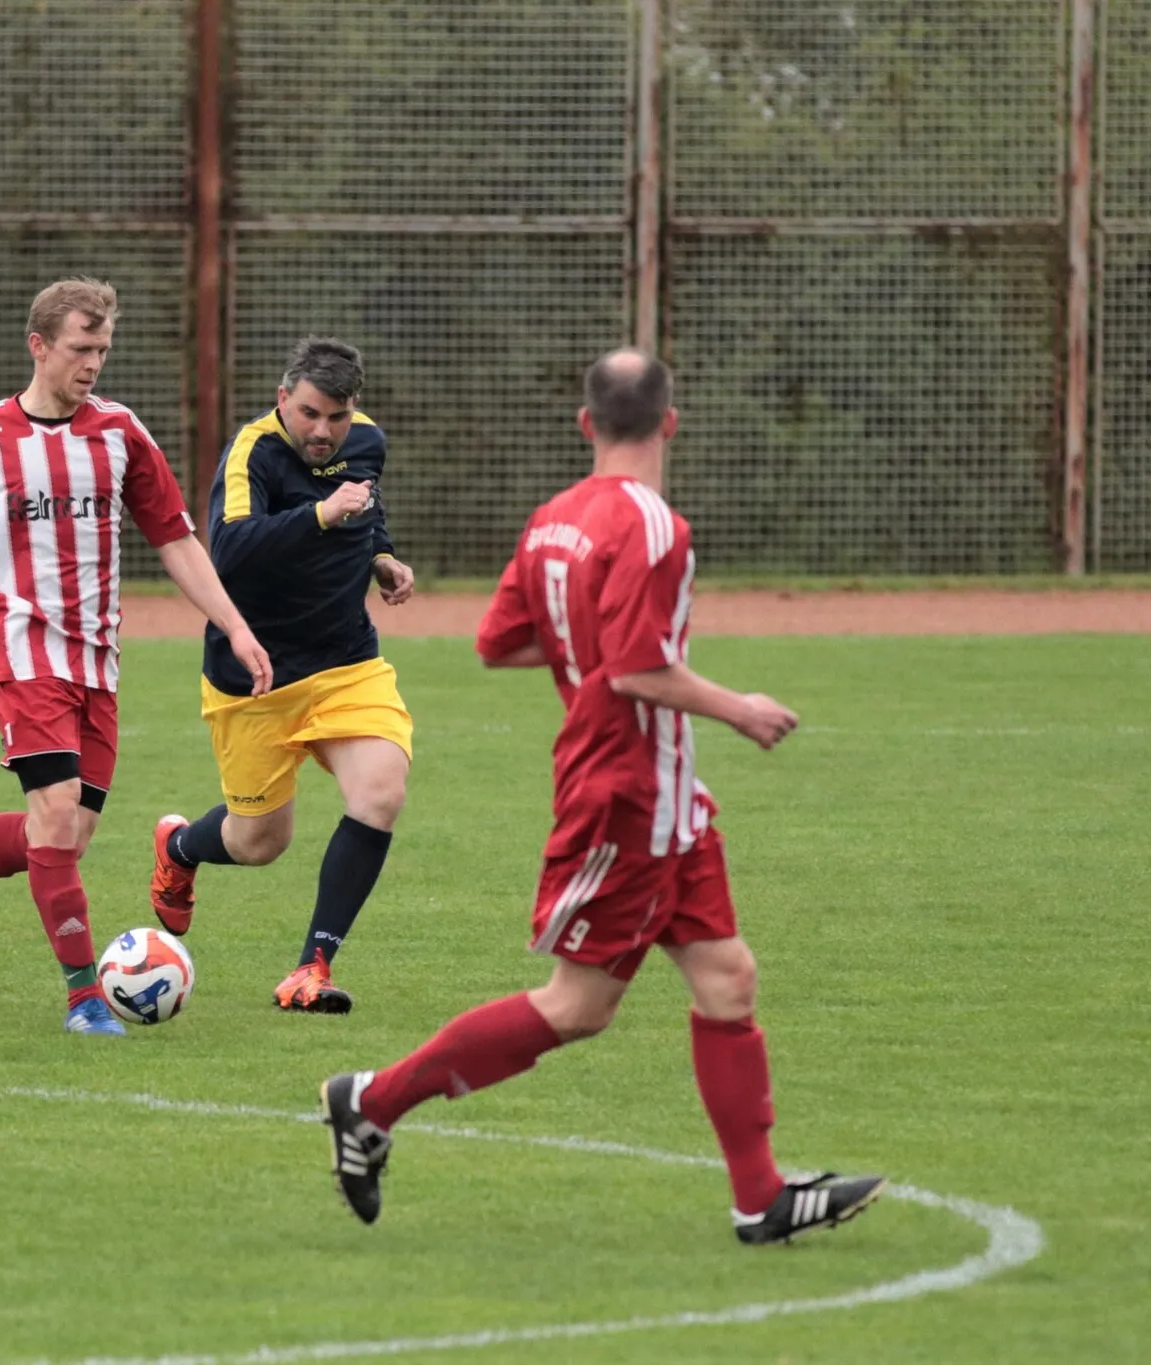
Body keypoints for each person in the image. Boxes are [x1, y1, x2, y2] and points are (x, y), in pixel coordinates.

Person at [317, 349, 885, 1244]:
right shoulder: (657, 527)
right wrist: (740, 707)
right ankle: (372, 1100)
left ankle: (760, 1197)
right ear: (671, 423)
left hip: (667, 798)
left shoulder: (554, 520)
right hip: (623, 795)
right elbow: (635, 669)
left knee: (728, 977)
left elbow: (500, 642)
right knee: (578, 1005)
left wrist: (585, 647)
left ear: (586, 423)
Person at [0, 277, 272, 1038]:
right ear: (38, 346)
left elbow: (175, 539)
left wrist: (234, 625)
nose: (93, 363)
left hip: (97, 657)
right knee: (57, 811)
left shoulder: (121, 433)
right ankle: (84, 999)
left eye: (103, 349)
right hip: (20, 647)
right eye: (80, 348)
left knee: (63, 837)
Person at [148, 338, 417, 1013]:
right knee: (259, 842)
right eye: (309, 413)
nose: (324, 430)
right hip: (255, 678)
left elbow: (368, 509)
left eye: (337, 416)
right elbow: (229, 549)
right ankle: (179, 846)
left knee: (381, 792)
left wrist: (381, 556)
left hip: (347, 664)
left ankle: (311, 969)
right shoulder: (253, 453)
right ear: (282, 399)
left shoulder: (367, 441)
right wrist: (321, 515)